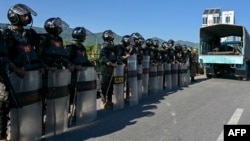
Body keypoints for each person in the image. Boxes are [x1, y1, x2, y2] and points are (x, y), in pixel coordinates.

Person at [3, 3, 44, 140]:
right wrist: (14, 68)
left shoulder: (31, 34)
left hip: (30, 74)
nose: (27, 18)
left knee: (30, 101)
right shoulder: (6, 34)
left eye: (28, 15)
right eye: (24, 15)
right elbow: (3, 56)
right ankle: (5, 134)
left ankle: (30, 130)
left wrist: (42, 65)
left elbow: (38, 52)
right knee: (6, 104)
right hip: (11, 75)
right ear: (14, 17)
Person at [39, 17, 74, 136]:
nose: (60, 28)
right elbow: (38, 56)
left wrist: (69, 65)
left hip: (57, 72)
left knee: (56, 97)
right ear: (52, 26)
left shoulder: (59, 39)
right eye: (59, 25)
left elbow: (63, 56)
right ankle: (40, 125)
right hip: (46, 73)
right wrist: (47, 67)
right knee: (42, 99)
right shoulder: (43, 38)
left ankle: (53, 122)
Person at [66, 26, 93, 122]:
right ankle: (68, 113)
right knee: (71, 93)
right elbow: (66, 60)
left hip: (82, 74)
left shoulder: (82, 47)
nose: (85, 37)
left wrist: (91, 65)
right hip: (73, 75)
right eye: (84, 35)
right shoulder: (71, 46)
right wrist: (74, 66)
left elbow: (85, 59)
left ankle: (79, 111)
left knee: (80, 93)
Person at [100, 30, 117, 109]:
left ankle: (109, 100)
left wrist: (118, 62)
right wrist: (110, 63)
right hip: (106, 68)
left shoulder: (112, 47)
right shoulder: (104, 46)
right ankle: (103, 101)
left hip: (112, 68)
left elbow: (115, 56)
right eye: (111, 35)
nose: (112, 36)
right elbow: (103, 57)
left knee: (111, 85)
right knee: (105, 85)